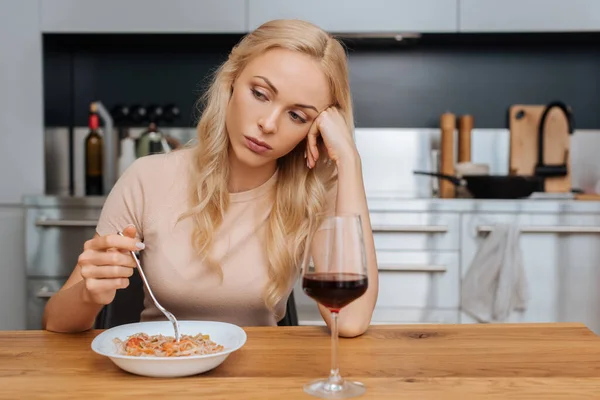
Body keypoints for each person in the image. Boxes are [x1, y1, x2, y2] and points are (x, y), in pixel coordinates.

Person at [42, 19, 379, 338]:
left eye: (296, 115)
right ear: (231, 81)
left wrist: (349, 160)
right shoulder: (146, 178)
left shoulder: (314, 192)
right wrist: (89, 293)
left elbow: (350, 320)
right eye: (260, 94)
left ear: (314, 128)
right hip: (159, 374)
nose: (269, 123)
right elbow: (55, 322)